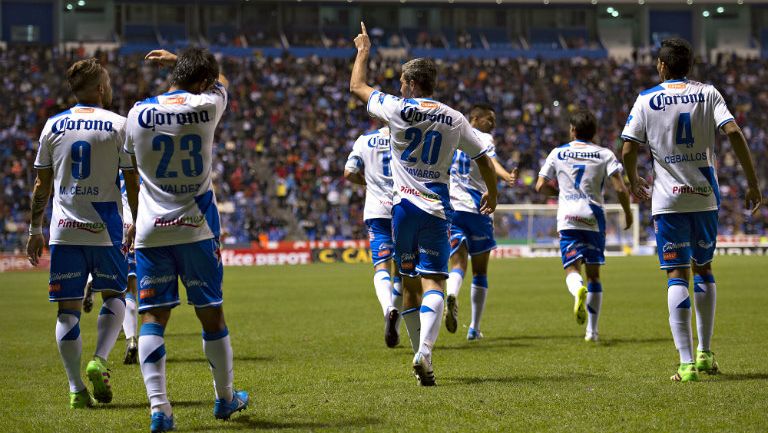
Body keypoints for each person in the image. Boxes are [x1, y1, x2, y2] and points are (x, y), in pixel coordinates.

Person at [350, 22, 498, 386]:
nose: (400, 86)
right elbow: (482, 157)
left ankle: (420, 355)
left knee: (409, 282)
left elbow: (356, 87)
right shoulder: (454, 117)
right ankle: (425, 354)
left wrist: (364, 51)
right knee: (435, 281)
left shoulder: (397, 109)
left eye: (402, 82)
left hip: (400, 210)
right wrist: (491, 193)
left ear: (412, 84)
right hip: (436, 210)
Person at [621, 38, 762, 382]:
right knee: (704, 269)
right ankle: (705, 353)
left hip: (667, 200)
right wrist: (753, 182)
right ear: (689, 66)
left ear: (663, 66)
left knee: (675, 274)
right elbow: (733, 132)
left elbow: (627, 148)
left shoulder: (646, 99)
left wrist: (633, 178)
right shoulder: (709, 93)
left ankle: (685, 363)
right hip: (704, 196)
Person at [124, 48, 248, 432]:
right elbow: (221, 82)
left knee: (153, 318)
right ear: (204, 82)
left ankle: (160, 410)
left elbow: (129, 171)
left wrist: (133, 217)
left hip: (150, 228)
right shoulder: (210, 105)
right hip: (196, 227)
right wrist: (185, 63)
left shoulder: (137, 112)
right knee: (211, 314)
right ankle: (225, 399)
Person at [26, 58, 139, 408]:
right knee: (115, 296)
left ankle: (76, 389)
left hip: (63, 230)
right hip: (106, 230)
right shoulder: (119, 125)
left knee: (67, 312)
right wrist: (136, 219)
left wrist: (34, 228)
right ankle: (100, 359)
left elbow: (40, 184)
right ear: (101, 88)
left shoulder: (53, 126)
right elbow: (132, 183)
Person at [535, 109, 632, 342]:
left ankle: (577, 288)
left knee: (571, 269)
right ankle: (592, 331)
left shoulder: (558, 153)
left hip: (568, 218)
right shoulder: (604, 154)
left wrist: (556, 192)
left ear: (573, 130)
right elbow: (619, 188)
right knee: (595, 276)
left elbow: (540, 185)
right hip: (593, 218)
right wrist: (628, 212)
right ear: (594, 132)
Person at [445, 103, 518, 341]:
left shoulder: (452, 133)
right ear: (475, 118)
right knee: (480, 271)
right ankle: (474, 328)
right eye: (490, 120)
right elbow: (489, 162)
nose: (493, 125)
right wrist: (505, 174)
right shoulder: (485, 139)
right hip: (480, 206)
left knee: (457, 262)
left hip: (453, 207)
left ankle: (452, 293)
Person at [344, 126, 404, 348]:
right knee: (402, 272)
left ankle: (388, 308)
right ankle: (395, 328)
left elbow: (349, 172)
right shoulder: (406, 136)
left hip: (377, 211)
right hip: (403, 208)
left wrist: (367, 181)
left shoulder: (364, 139)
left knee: (381, 266)